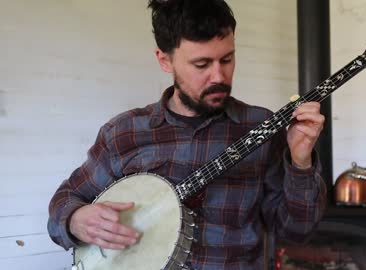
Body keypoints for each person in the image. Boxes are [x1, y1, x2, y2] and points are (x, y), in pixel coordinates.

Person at [47, 0, 327, 269]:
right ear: (164, 60)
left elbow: (296, 232)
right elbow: (66, 199)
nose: (219, 76)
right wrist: (74, 219)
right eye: (202, 65)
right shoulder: (124, 132)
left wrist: (301, 163)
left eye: (227, 59)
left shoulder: (261, 126)